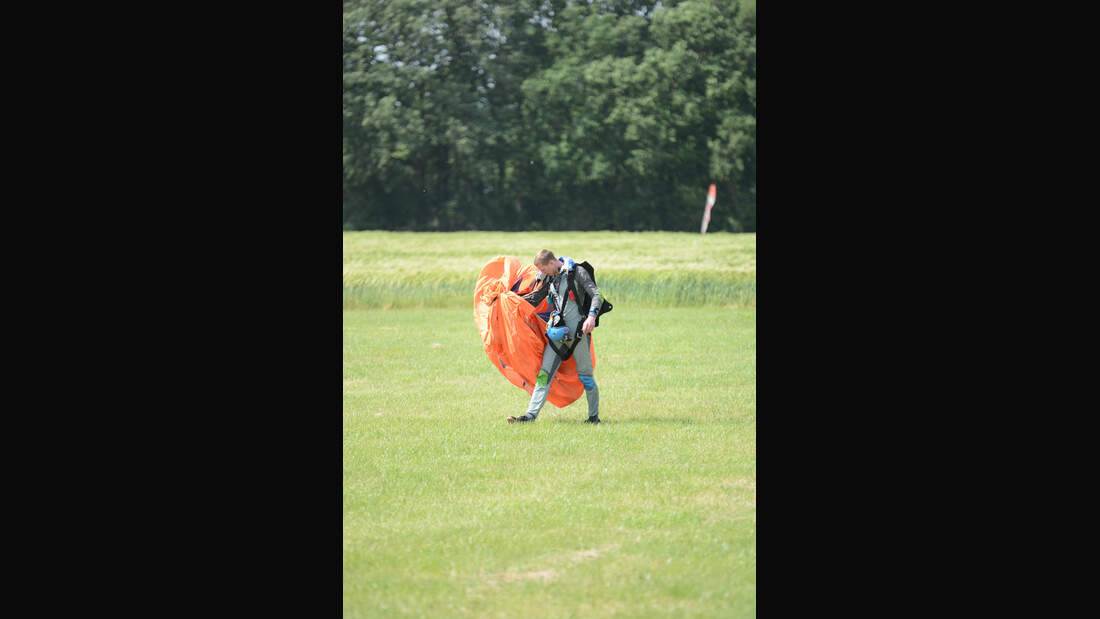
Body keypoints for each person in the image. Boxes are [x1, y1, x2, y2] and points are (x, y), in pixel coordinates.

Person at [508, 249, 605, 424]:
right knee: (543, 375)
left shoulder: (577, 273)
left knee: (586, 378)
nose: (542, 274)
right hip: (557, 336)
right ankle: (530, 416)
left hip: (578, 336)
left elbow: (597, 295)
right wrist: (510, 300)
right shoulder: (551, 278)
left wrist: (591, 317)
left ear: (552, 263)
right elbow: (536, 298)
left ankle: (593, 417)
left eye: (543, 269)